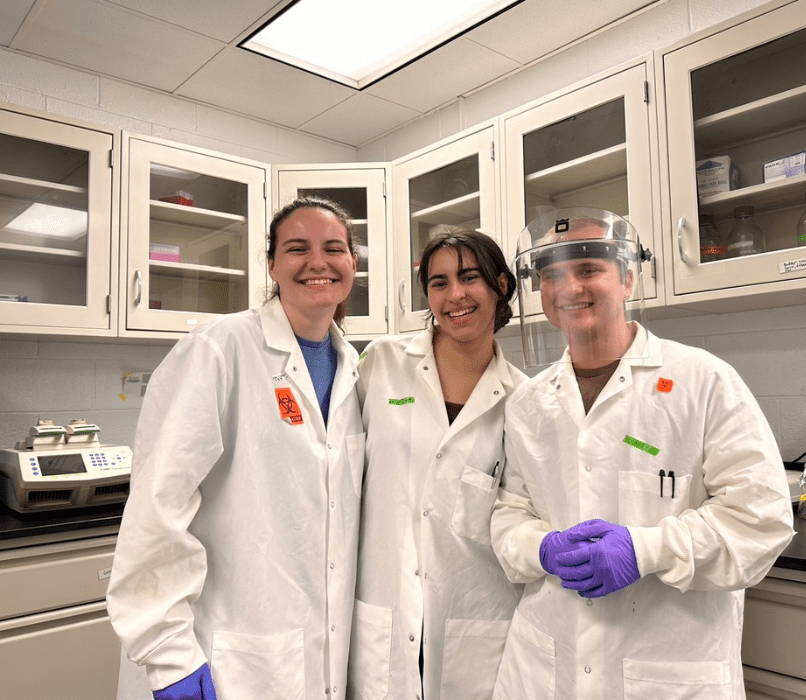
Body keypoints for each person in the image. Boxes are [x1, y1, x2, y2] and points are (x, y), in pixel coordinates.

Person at [490, 208, 794, 699]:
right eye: (550, 275)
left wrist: (645, 550)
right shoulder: (528, 401)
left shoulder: (703, 380)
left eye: (589, 269)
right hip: (546, 664)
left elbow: (761, 519)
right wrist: (540, 549)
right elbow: (509, 513)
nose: (569, 287)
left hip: (667, 668)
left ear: (629, 277)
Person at [107, 196, 366, 700]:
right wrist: (168, 653)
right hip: (220, 647)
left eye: (333, 248)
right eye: (297, 248)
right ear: (272, 263)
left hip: (312, 648)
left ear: (352, 263)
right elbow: (157, 507)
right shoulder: (219, 350)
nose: (318, 262)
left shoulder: (353, 368)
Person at [348, 228, 527, 700]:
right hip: (384, 613)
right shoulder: (382, 363)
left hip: (477, 621)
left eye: (470, 278)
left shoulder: (524, 399)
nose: (455, 296)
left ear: (502, 286)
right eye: (439, 283)